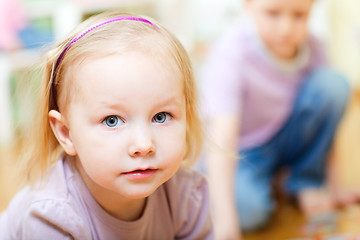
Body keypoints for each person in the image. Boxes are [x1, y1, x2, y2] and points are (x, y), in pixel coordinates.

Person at [0, 10, 213, 239]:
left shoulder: (187, 196)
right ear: (66, 133)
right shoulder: (51, 218)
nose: (143, 144)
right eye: (112, 121)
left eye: (161, 116)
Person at [200, 0, 350, 238]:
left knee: (335, 84)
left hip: (285, 139)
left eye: (299, 15)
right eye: (273, 13)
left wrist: (334, 184)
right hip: (243, 152)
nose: (286, 28)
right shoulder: (231, 55)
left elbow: (327, 124)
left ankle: (304, 179)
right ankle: (276, 181)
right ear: (247, 5)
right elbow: (222, 138)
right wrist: (226, 222)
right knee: (248, 213)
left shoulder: (315, 47)